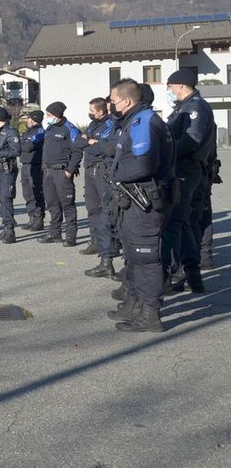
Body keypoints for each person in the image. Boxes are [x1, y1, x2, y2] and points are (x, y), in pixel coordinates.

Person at [106, 78, 174, 332]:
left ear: (126, 101)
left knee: (146, 259)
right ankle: (135, 305)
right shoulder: (134, 120)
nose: (112, 105)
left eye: (114, 101)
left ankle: (150, 314)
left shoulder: (143, 121)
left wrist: (115, 175)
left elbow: (145, 164)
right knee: (134, 257)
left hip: (143, 201)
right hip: (133, 201)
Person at [162, 68, 215, 293]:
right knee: (184, 222)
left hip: (187, 169)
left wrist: (166, 150)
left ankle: (177, 274)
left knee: (177, 222)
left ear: (181, 86)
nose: (169, 90)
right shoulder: (183, 107)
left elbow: (192, 139)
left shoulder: (196, 108)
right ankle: (192, 276)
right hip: (183, 168)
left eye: (170, 87)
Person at [81, 98, 117, 278]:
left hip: (102, 169)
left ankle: (111, 247)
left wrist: (89, 142)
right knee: (92, 208)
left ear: (101, 111)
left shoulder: (109, 124)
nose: (90, 113)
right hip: (89, 168)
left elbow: (102, 148)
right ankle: (95, 241)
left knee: (107, 212)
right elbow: (79, 143)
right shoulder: (92, 125)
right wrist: (89, 141)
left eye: (92, 110)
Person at [39, 101, 83, 246]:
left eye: (49, 114)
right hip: (48, 171)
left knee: (67, 205)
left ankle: (70, 236)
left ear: (57, 115)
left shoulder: (70, 129)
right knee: (52, 204)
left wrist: (70, 171)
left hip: (62, 172)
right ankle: (54, 233)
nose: (47, 117)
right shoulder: (50, 128)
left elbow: (77, 151)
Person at [0, 106, 20, 244]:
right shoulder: (0, 131)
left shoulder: (11, 131)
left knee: (6, 198)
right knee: (1, 198)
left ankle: (10, 231)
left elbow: (17, 151)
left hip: (7, 170)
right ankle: (6, 227)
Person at [18, 110, 45, 231]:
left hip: (35, 166)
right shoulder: (27, 132)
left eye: (29, 118)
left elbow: (29, 146)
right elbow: (19, 146)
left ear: (34, 120)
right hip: (25, 165)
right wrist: (23, 143)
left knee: (36, 193)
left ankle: (39, 219)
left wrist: (24, 144)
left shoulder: (40, 132)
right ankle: (31, 218)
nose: (27, 120)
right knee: (27, 193)